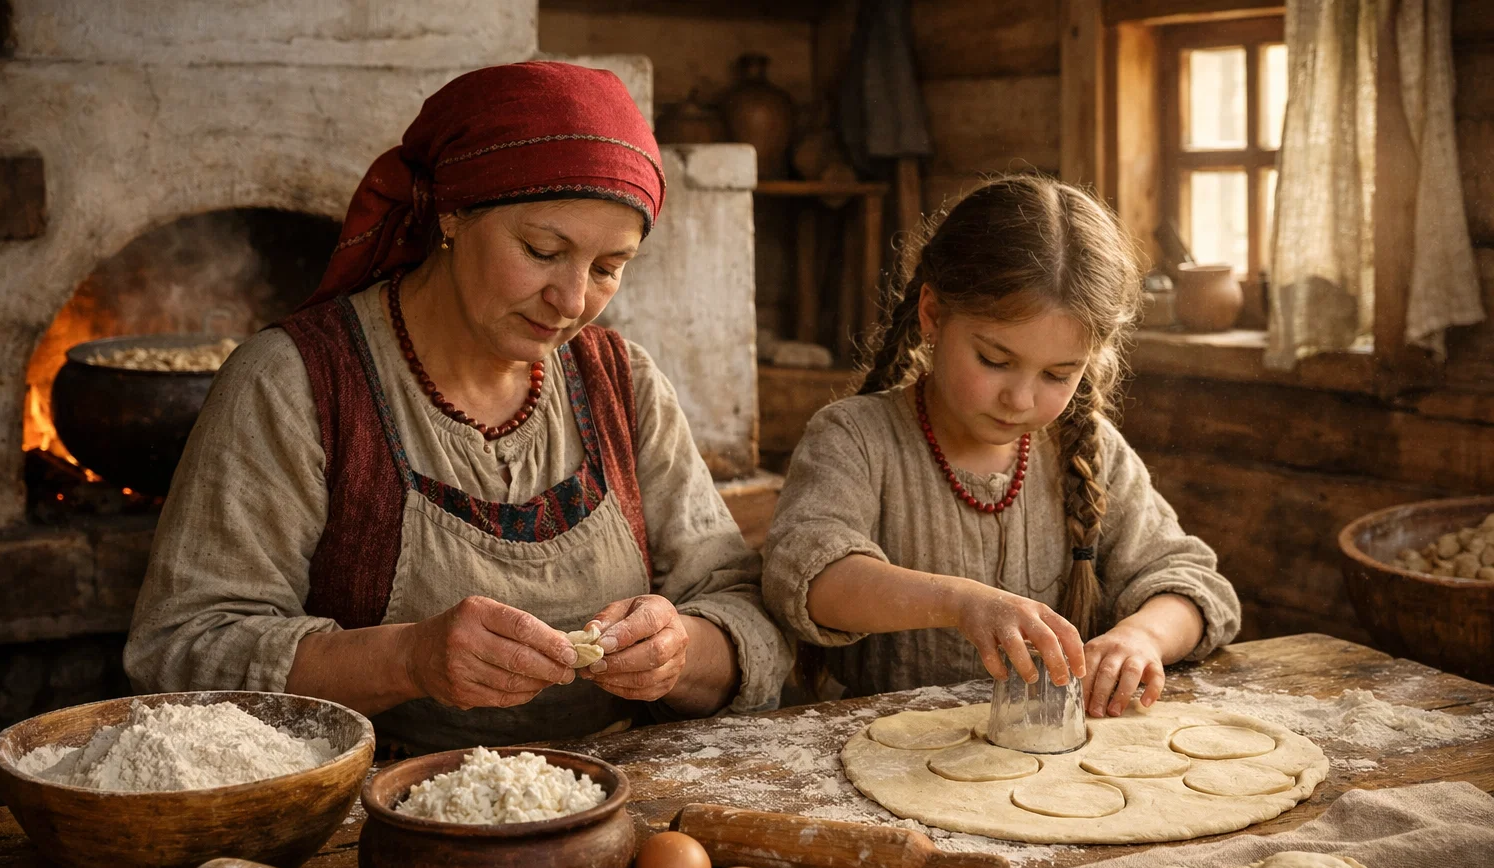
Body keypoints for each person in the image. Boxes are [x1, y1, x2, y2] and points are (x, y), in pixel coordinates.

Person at [125, 62, 791, 752]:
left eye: (606, 268)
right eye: (542, 250)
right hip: (371, 810)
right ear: (452, 213)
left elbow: (747, 617)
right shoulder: (297, 381)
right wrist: (409, 658)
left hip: (616, 792)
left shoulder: (621, 383)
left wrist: (682, 651)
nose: (571, 301)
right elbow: (184, 649)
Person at [761, 174, 1239, 718]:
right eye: (994, 360)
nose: (1019, 398)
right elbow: (807, 574)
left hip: (1056, 765)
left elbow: (1193, 584)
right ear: (932, 315)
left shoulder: (1089, 451)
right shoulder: (856, 438)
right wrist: (961, 603)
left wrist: (1143, 637)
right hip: (891, 755)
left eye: (1059, 374)